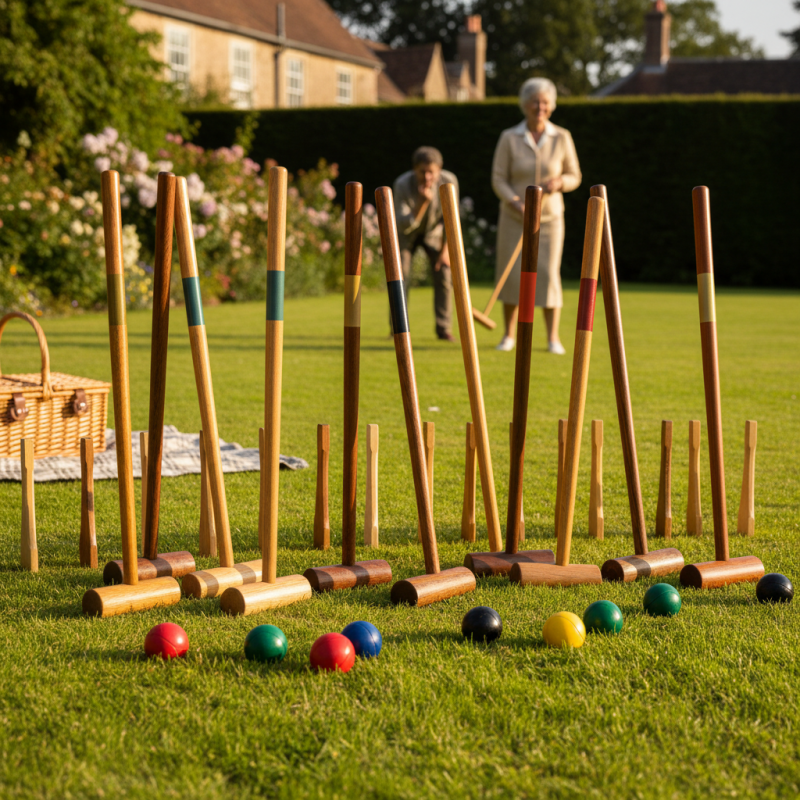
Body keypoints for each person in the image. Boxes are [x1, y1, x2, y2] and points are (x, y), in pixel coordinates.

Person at [490, 77, 582, 353]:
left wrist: (559, 183)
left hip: (550, 219)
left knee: (548, 274)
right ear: (524, 105)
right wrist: (516, 201)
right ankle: (508, 335)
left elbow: (575, 175)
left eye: (544, 102)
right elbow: (498, 178)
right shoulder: (509, 137)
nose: (539, 107)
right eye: (534, 102)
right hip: (514, 217)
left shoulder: (562, 137)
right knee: (512, 274)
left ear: (551, 106)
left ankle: (553, 338)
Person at [393, 146, 459, 342]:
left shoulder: (450, 181)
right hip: (407, 234)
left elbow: (452, 220)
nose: (428, 177)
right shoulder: (403, 184)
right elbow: (404, 226)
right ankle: (398, 328)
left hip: (434, 234)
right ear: (415, 169)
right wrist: (422, 202)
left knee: (444, 273)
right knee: (399, 276)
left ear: (440, 170)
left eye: (432, 172)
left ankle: (444, 329)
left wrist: (445, 251)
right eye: (423, 171)